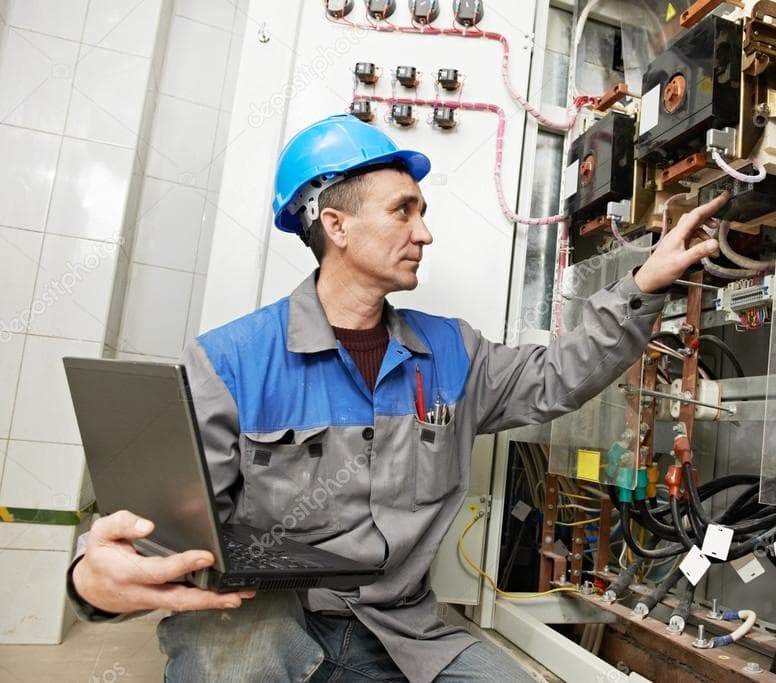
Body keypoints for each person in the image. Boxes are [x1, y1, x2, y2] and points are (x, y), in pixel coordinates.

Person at [67, 114, 725, 682]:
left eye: (423, 211)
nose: (424, 232)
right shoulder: (232, 360)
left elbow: (558, 375)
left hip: (403, 625)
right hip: (262, 613)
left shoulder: (452, 354)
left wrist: (642, 284)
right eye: (402, 210)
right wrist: (89, 582)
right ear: (336, 225)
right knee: (228, 663)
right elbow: (153, 526)